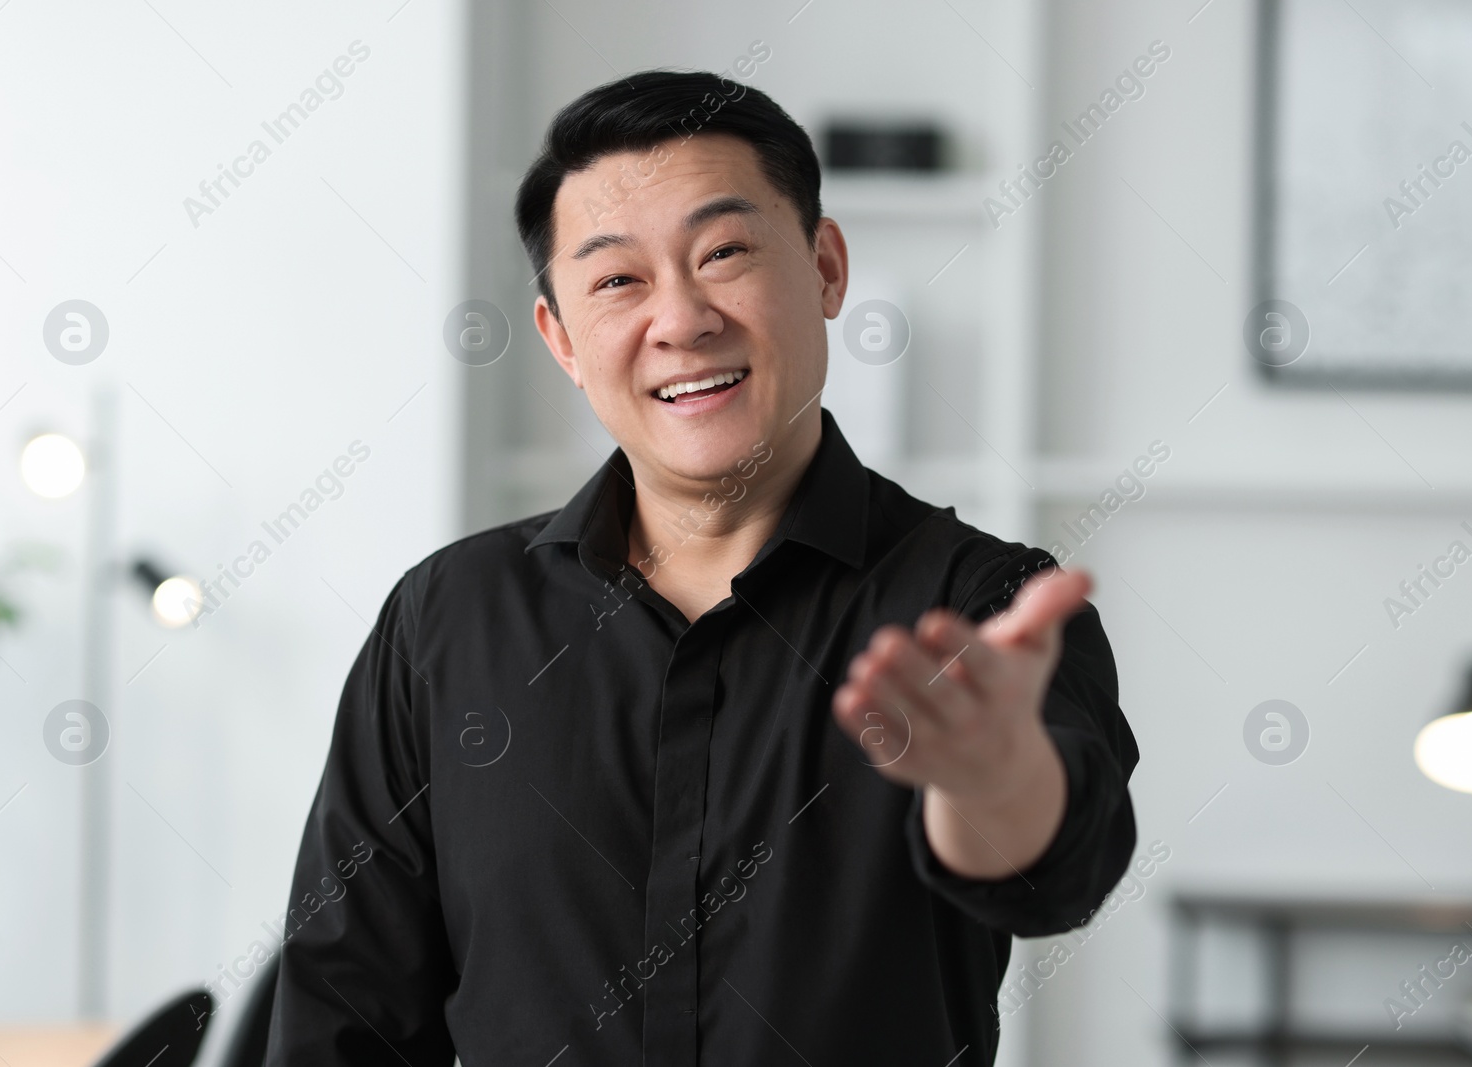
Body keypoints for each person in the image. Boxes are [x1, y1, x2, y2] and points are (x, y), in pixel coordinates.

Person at [265, 69, 1139, 1066]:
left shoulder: (980, 607)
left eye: (723, 252)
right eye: (616, 279)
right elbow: (343, 1016)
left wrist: (990, 779)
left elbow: (1054, 873)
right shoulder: (447, 619)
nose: (680, 320)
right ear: (559, 336)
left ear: (824, 267)